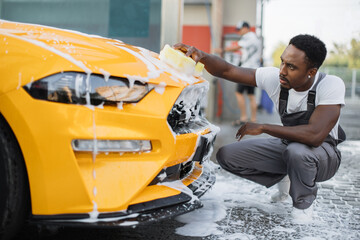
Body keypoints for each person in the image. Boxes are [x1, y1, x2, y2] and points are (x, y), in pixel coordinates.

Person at [174, 34, 346, 223]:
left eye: (291, 67)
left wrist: (264, 127)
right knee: (227, 156)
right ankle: (287, 178)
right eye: (282, 62)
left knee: (297, 152)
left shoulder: (330, 85)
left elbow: (315, 135)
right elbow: (228, 70)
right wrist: (203, 56)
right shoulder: (276, 79)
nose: (282, 71)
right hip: (289, 146)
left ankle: (302, 205)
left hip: (323, 155)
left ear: (311, 72)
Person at [222, 21, 261, 125]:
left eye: (239, 30)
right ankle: (253, 119)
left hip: (246, 70)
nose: (239, 32)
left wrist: (222, 50)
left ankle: (244, 118)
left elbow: (237, 47)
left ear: (245, 28)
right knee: (251, 94)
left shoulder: (248, 36)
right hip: (254, 70)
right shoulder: (255, 37)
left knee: (239, 93)